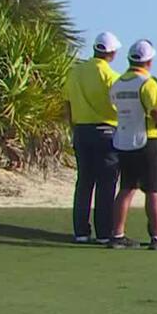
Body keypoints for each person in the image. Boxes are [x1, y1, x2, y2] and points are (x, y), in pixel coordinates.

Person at [106, 40, 157, 250]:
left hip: (124, 140)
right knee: (153, 190)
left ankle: (117, 235)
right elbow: (155, 112)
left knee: (126, 188)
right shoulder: (148, 83)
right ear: (149, 61)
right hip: (148, 140)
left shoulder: (117, 83)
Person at [63, 32, 122, 244]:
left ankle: (81, 231)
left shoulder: (75, 72)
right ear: (112, 53)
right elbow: (119, 108)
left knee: (84, 182)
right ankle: (104, 233)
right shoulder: (112, 77)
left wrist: (73, 127)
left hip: (81, 130)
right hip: (106, 132)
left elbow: (67, 103)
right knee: (106, 184)